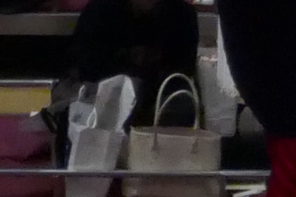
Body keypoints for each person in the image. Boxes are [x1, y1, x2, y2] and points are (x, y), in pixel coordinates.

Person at [64, 0, 198, 115]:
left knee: (183, 104)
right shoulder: (100, 11)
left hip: (158, 98)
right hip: (105, 95)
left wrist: (144, 89)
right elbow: (88, 70)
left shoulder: (182, 16)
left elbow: (181, 74)